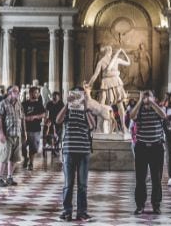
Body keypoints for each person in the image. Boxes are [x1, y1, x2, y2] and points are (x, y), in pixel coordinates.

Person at [56, 87, 96, 222]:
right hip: (69, 150)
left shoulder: (87, 111)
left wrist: (85, 107)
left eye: (80, 95)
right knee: (68, 184)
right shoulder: (67, 110)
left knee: (82, 184)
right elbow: (58, 120)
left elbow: (92, 125)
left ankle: (82, 212)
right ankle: (67, 212)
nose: (78, 98)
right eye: (75, 95)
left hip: (83, 151)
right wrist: (67, 105)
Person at [129, 90, 167, 215]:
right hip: (141, 147)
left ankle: (156, 205)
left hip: (156, 147)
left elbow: (163, 115)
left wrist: (153, 103)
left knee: (156, 178)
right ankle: (140, 205)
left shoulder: (158, 108)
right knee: (140, 178)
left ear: (153, 97)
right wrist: (140, 101)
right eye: (144, 96)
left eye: (148, 95)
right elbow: (131, 116)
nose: (146, 98)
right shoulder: (139, 109)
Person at [86, 45, 131, 133]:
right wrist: (123, 52)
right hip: (113, 82)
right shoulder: (114, 60)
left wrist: (89, 85)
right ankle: (122, 126)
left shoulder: (102, 61)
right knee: (119, 104)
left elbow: (95, 76)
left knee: (102, 105)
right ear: (110, 51)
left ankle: (101, 127)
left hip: (109, 82)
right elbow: (128, 62)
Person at [0, 85, 25, 187]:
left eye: (18, 91)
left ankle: (9, 177)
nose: (18, 93)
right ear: (9, 93)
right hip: (7, 135)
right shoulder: (3, 104)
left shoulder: (18, 104)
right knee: (3, 157)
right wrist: (1, 133)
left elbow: (21, 118)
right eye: (15, 91)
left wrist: (24, 132)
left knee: (14, 158)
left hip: (17, 134)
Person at [22, 86, 45, 170]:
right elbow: (20, 114)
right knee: (23, 146)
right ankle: (25, 158)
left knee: (34, 147)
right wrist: (25, 118)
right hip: (25, 129)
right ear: (30, 93)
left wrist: (35, 117)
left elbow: (43, 114)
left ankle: (31, 163)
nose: (36, 94)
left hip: (35, 129)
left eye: (37, 92)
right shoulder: (24, 104)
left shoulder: (39, 104)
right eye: (35, 92)